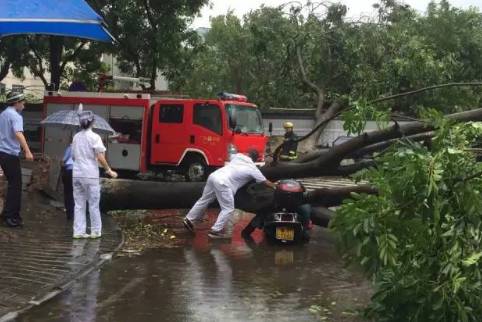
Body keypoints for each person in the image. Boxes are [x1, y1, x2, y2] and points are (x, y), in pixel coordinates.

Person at [183, 149, 276, 239]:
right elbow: (265, 181)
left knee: (204, 199)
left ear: (248, 155)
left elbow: (234, 159)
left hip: (214, 176)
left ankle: (189, 219)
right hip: (224, 183)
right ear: (255, 159)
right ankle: (215, 231)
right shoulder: (252, 169)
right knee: (228, 208)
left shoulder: (238, 157)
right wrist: (275, 186)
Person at [72, 111, 117, 239]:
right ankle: (95, 231)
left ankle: (78, 232)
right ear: (92, 122)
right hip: (90, 175)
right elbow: (100, 156)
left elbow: (73, 156)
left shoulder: (76, 137)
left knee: (79, 204)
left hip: (77, 175)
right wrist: (109, 170)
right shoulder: (95, 137)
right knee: (93, 204)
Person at [0, 92, 33, 228]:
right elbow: (18, 134)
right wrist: (28, 151)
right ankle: (11, 216)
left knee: (12, 183)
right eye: (22, 102)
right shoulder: (16, 116)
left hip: (1, 152)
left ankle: (9, 214)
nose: (24, 105)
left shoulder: (3, 114)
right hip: (10, 154)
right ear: (16, 103)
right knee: (16, 185)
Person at [61, 144, 74, 220]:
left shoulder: (71, 147)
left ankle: (69, 214)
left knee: (68, 193)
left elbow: (63, 160)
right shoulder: (90, 146)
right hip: (83, 173)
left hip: (70, 171)